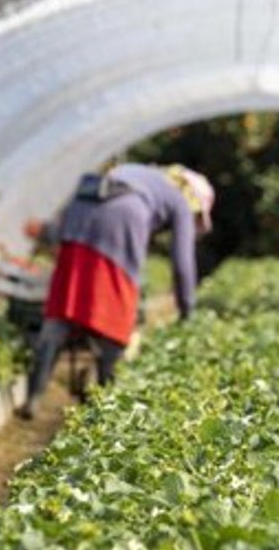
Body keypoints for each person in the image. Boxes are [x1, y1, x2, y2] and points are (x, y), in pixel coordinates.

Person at [17, 163, 213, 418]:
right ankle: (105, 408)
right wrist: (187, 309)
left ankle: (33, 397)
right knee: (114, 316)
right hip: (123, 220)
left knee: (65, 304)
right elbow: (182, 262)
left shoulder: (138, 172)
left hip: (79, 211)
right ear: (195, 202)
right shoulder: (179, 200)